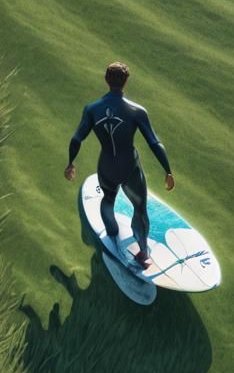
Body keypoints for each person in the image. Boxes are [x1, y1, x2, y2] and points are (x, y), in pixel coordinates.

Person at [64, 62, 174, 269]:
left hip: (106, 166)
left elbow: (77, 139)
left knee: (108, 198)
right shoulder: (137, 111)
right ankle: (143, 253)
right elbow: (154, 142)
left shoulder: (91, 109)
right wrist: (167, 170)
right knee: (140, 208)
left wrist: (70, 164)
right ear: (126, 81)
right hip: (130, 168)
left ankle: (112, 232)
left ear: (106, 79)